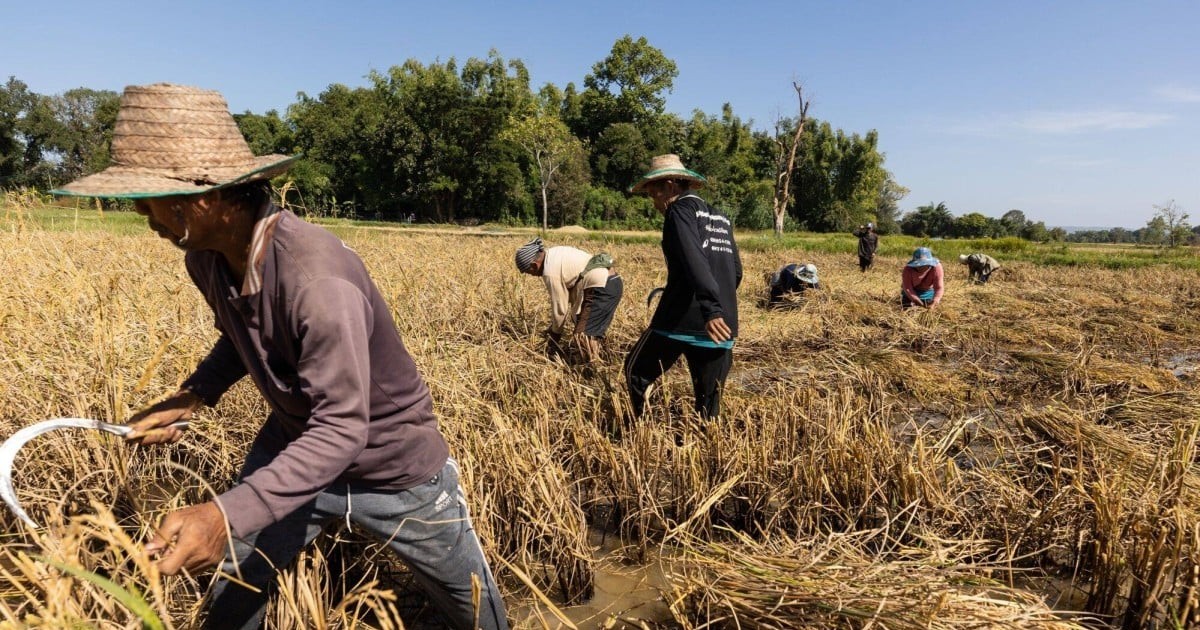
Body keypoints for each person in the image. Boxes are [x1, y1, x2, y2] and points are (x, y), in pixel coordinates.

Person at [50, 83, 508, 630]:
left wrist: (224, 514)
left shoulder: (317, 282)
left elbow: (342, 429)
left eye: (151, 201)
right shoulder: (206, 256)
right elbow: (241, 337)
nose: (145, 217)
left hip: (394, 469)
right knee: (236, 582)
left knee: (474, 606)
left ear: (207, 197)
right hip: (294, 444)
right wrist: (193, 396)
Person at [624, 154, 742, 420]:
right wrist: (719, 307)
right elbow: (735, 272)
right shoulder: (721, 218)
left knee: (636, 370)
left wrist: (710, 308)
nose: (655, 203)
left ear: (669, 186)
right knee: (709, 401)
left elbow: (693, 259)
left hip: (681, 319)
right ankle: (707, 442)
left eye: (653, 195)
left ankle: (642, 428)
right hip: (722, 326)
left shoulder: (679, 210)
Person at [515, 237, 624, 363]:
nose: (533, 275)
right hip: (612, 282)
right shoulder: (554, 254)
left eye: (529, 272)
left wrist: (554, 338)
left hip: (601, 288)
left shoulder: (550, 271)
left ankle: (589, 369)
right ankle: (602, 358)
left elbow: (560, 310)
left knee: (583, 338)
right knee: (590, 330)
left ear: (534, 265)